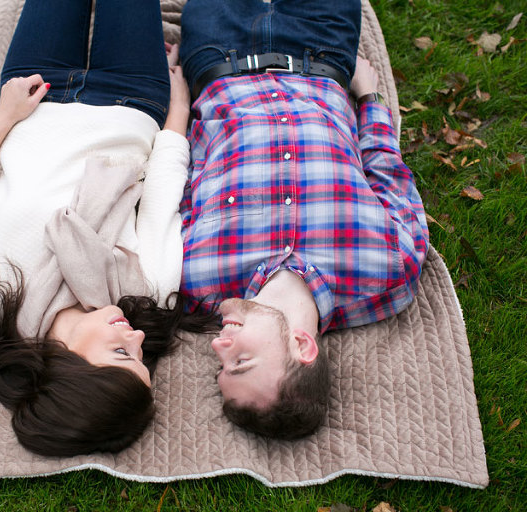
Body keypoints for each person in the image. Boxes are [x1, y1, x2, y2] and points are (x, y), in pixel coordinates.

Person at [0, 0, 209, 457]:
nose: (139, 338)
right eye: (143, 357)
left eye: (123, 354)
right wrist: (179, 104)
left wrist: (3, 118)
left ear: (71, 368)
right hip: (133, 99)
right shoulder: (149, 295)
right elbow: (163, 191)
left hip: (34, 96)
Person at [177, 0, 430, 439]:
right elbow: (387, 170)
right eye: (240, 361)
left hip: (217, 58)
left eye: (221, 365)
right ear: (302, 345)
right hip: (323, 50)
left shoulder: (196, 284)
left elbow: (178, 176)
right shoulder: (391, 272)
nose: (218, 346)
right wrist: (368, 96)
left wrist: (175, 101)